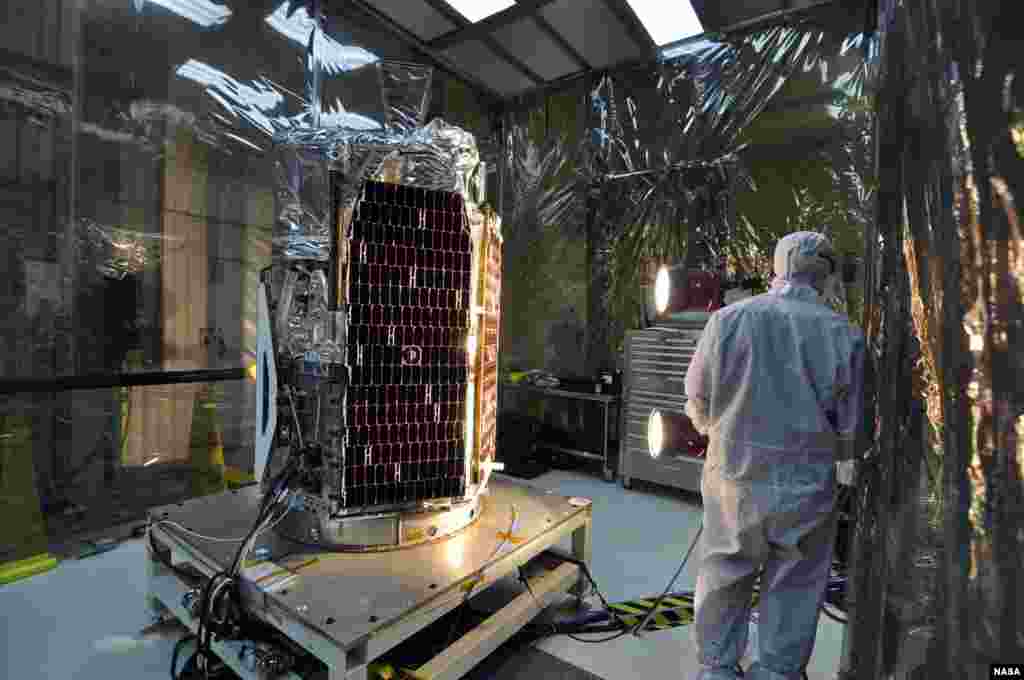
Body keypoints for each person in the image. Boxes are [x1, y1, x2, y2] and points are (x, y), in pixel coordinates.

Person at [684, 231, 866, 680]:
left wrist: (725, 436)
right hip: (806, 489)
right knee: (795, 583)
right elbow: (853, 434)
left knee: (725, 572)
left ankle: (717, 669)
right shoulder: (844, 335)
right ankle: (778, 671)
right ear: (827, 275)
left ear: (777, 265)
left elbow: (697, 401)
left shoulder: (727, 320)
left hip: (733, 479)